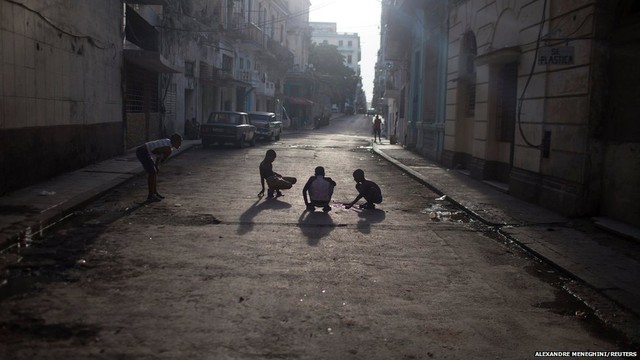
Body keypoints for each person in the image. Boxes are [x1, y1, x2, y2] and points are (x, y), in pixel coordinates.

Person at [136, 133, 182, 202]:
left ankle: (154, 193)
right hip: (143, 151)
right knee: (152, 172)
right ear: (175, 141)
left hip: (144, 151)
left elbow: (158, 154)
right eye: (179, 142)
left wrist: (156, 165)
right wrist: (158, 163)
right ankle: (151, 196)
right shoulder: (168, 149)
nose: (180, 144)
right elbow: (156, 151)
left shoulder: (168, 142)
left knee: (154, 171)